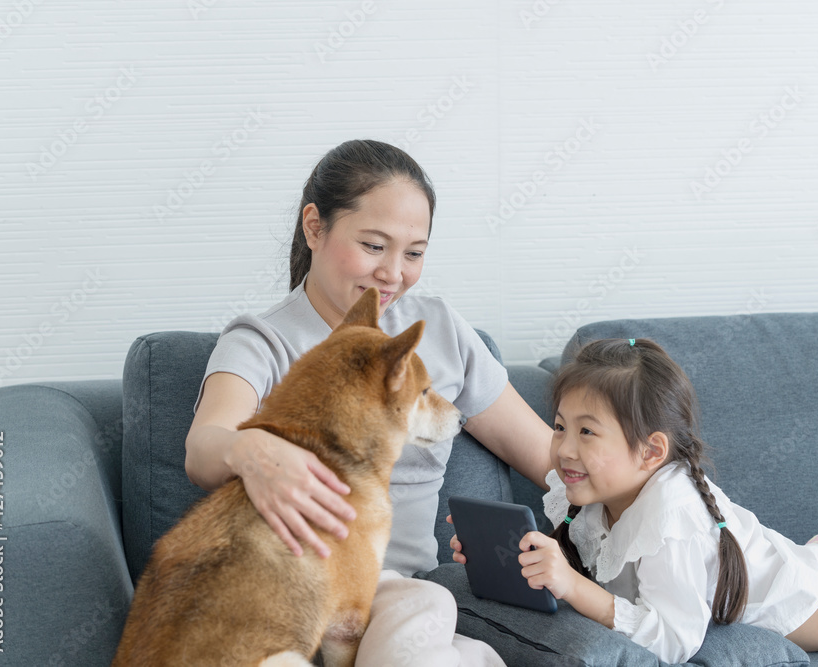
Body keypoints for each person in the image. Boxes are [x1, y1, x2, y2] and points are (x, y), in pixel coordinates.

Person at [185, 138, 552, 666]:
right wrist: (254, 454)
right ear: (315, 227)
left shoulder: (441, 330)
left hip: (402, 601)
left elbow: (550, 461)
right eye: (374, 246)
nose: (394, 273)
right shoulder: (261, 341)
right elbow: (204, 447)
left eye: (415, 253)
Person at [452, 337, 818, 664]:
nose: (563, 448)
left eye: (588, 433)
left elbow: (673, 640)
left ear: (651, 450)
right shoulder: (591, 494)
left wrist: (569, 586)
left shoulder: (673, 515)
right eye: (561, 426)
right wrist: (519, 561)